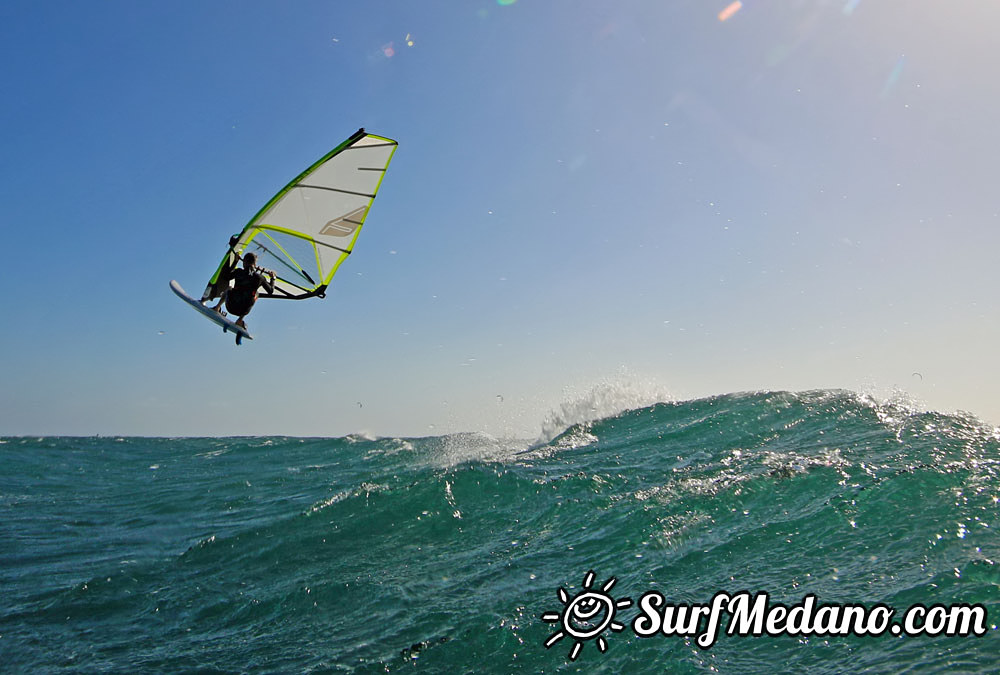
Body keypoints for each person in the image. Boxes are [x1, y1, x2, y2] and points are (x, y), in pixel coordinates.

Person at [209, 252, 275, 329]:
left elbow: (226, 276)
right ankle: (240, 320)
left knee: (229, 288)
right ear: (255, 264)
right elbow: (271, 291)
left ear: (244, 262)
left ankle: (217, 307)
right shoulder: (260, 278)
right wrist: (273, 278)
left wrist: (235, 261)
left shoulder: (239, 272)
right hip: (243, 311)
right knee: (256, 294)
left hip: (230, 307)